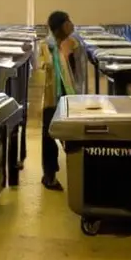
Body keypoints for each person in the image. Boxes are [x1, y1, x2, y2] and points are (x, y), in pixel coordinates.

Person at [38, 11, 86, 191]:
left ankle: (76, 170)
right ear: (60, 27)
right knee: (49, 135)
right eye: (68, 22)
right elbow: (42, 70)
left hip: (71, 97)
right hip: (51, 98)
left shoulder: (73, 44)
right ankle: (49, 175)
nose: (71, 24)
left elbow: (79, 69)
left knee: (74, 134)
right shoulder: (46, 46)